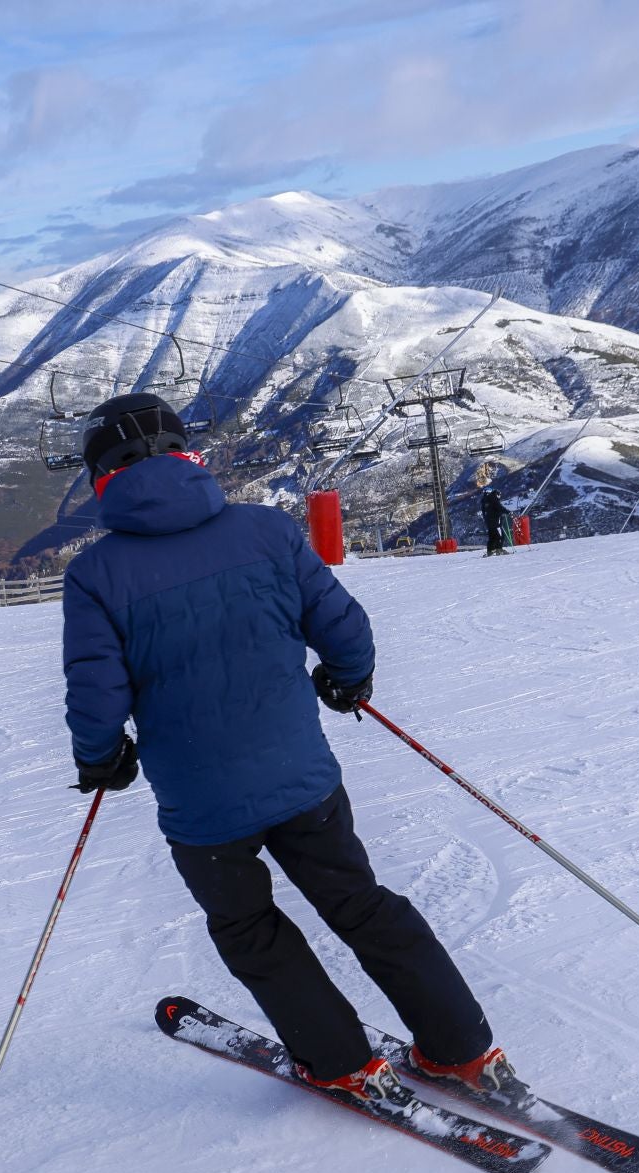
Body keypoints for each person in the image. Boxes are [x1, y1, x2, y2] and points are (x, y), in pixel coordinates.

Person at [61, 393, 514, 1113]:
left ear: (101, 479)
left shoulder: (98, 575)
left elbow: (96, 691)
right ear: (189, 455)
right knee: (361, 905)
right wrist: (348, 678)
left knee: (248, 927)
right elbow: (342, 624)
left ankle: (339, 1061)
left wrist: (100, 759)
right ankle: (461, 1046)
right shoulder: (266, 531)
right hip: (302, 779)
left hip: (203, 809)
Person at [480, 487, 510, 556]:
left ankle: (490, 550)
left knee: (492, 537)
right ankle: (499, 549)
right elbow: (499, 507)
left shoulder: (484, 502)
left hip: (488, 523)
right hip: (496, 522)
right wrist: (508, 512)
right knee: (500, 536)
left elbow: (486, 512)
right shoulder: (493, 499)